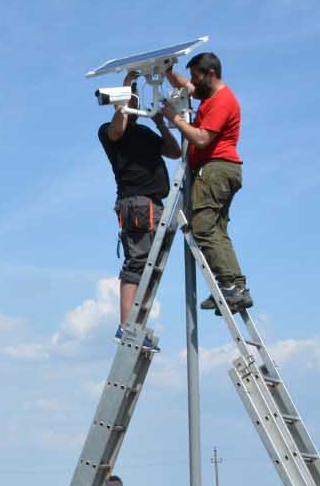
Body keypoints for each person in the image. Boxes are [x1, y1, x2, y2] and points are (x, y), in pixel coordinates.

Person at [163, 51, 251, 313]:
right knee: (217, 231)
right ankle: (236, 287)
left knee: (202, 228)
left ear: (210, 74)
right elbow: (186, 87)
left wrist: (174, 119)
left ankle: (229, 286)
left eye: (196, 76)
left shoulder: (222, 101)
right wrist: (169, 73)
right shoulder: (212, 94)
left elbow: (202, 138)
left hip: (215, 170)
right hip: (221, 170)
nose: (193, 81)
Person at [98, 70, 181, 337]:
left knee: (147, 265)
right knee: (137, 263)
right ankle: (127, 326)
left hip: (153, 204)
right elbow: (117, 128)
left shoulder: (144, 131)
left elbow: (174, 151)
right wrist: (125, 89)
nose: (135, 105)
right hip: (137, 204)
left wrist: (160, 123)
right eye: (130, 101)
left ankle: (135, 324)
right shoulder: (110, 131)